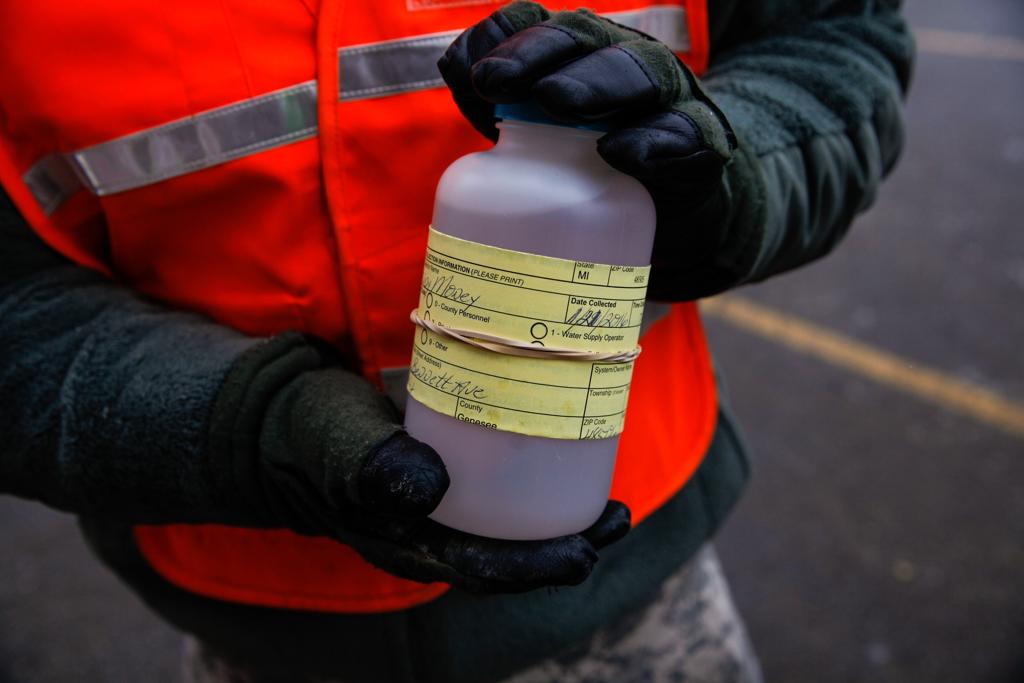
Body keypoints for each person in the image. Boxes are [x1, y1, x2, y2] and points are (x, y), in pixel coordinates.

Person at [0, 1, 913, 681]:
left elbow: (834, 44)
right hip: (267, 633)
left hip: (632, 599)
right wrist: (252, 430)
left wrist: (729, 171)